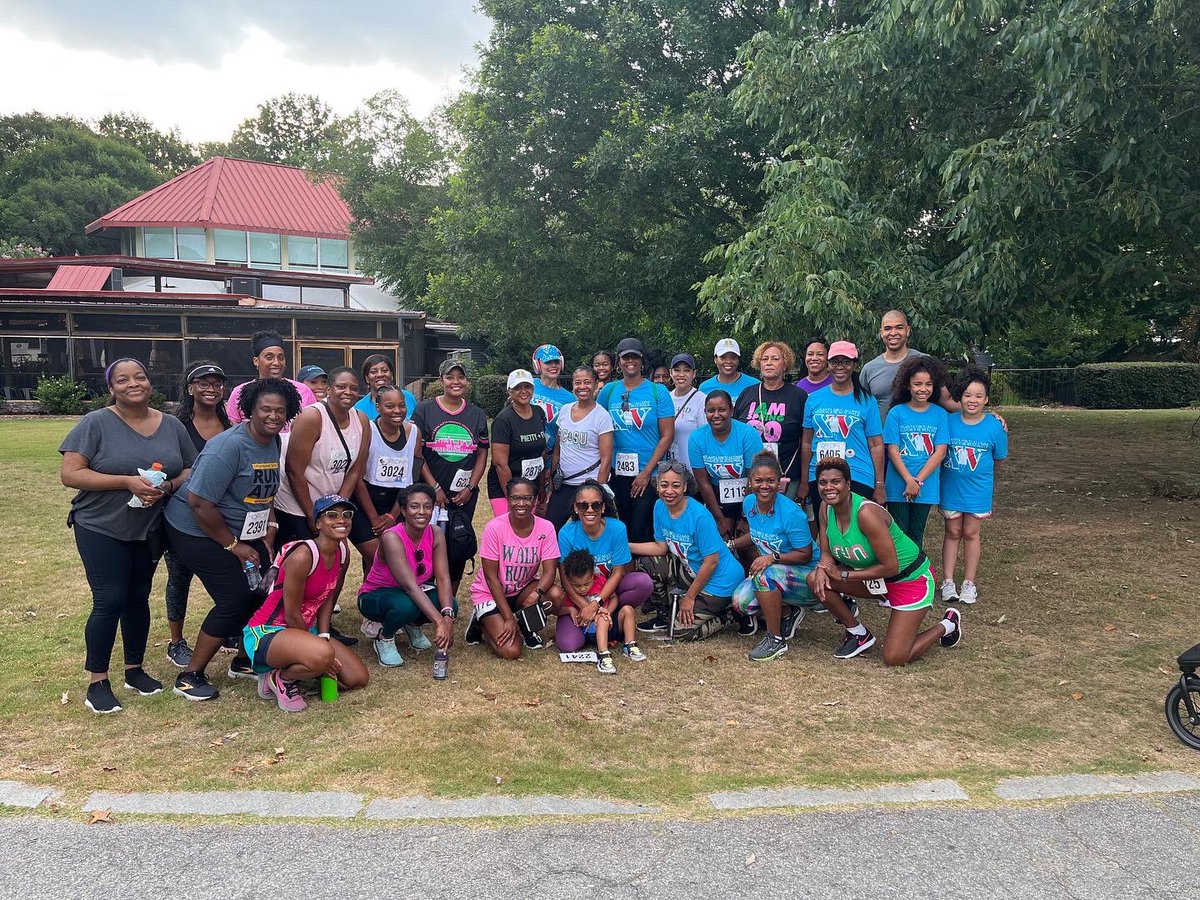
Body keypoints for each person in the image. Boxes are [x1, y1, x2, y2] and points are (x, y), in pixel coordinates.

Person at [60, 358, 197, 714]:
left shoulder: (171, 425)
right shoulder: (96, 423)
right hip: (100, 525)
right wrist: (126, 482)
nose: (133, 384)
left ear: (150, 383)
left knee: (138, 597)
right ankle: (98, 682)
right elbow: (71, 474)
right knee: (110, 599)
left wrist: (168, 485)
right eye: (122, 380)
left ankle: (134, 671)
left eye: (139, 377)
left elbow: (189, 467)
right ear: (111, 388)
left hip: (148, 528)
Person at [165, 377, 301, 701]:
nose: (273, 416)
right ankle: (189, 676)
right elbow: (199, 503)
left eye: (280, 411)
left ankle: (243, 660)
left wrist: (269, 527)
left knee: (262, 589)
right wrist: (233, 546)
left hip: (242, 528)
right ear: (250, 410)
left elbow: (263, 491)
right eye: (265, 409)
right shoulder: (227, 447)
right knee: (234, 598)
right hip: (194, 528)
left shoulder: (273, 440)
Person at [807, 457, 961, 663]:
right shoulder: (825, 509)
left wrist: (844, 574)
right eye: (823, 482)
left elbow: (891, 567)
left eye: (836, 481)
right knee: (815, 579)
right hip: (876, 581)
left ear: (848, 484)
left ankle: (948, 624)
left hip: (909, 579)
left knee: (894, 657)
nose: (828, 487)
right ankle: (858, 634)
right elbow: (826, 552)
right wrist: (822, 568)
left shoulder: (866, 513)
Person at [242, 494, 369, 711]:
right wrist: (322, 653)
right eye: (332, 515)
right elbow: (291, 614)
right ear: (318, 523)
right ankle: (282, 677)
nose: (341, 520)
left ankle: (306, 664)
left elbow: (327, 596)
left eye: (346, 515)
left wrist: (324, 636)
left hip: (302, 630)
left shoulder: (342, 552)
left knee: (357, 678)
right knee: (323, 656)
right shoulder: (303, 556)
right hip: (267, 632)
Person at [164, 361, 231, 668]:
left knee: (225, 574)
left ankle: (228, 629)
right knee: (179, 576)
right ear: (190, 388)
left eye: (217, 384)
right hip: (182, 515)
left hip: (220, 514)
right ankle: (176, 641)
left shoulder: (229, 424)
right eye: (203, 383)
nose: (211, 389)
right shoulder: (177, 426)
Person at [630, 461, 745, 640]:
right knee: (647, 562)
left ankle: (733, 614)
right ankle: (664, 617)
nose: (669, 491)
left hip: (721, 581)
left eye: (676, 485)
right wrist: (627, 546)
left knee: (680, 632)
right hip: (692, 571)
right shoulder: (659, 506)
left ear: (685, 487)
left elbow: (712, 561)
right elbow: (661, 547)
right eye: (664, 485)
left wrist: (690, 597)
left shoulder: (699, 516)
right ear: (657, 486)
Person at [274, 367, 373, 574]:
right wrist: (313, 515)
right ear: (329, 389)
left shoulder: (361, 420)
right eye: (341, 387)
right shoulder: (312, 417)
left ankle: (329, 597)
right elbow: (294, 471)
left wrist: (337, 507)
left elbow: (355, 470)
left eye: (354, 388)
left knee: (340, 558)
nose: (348, 392)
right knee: (304, 562)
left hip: (329, 498)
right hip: (297, 501)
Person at [729, 453, 822, 661]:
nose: (764, 486)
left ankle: (776, 639)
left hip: (809, 576)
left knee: (764, 577)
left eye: (770, 480)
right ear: (750, 482)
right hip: (776, 572)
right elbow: (757, 534)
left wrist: (773, 557)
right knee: (741, 602)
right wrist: (731, 545)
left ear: (779, 483)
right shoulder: (749, 503)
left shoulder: (791, 513)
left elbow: (805, 554)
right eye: (758, 480)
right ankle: (788, 612)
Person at [357, 484, 457, 667]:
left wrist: (448, 617)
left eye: (427, 506)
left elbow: (443, 578)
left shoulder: (436, 533)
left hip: (411, 593)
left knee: (450, 604)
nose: (422, 512)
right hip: (376, 596)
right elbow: (409, 585)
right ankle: (384, 637)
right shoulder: (391, 537)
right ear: (403, 510)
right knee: (406, 606)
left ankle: (412, 625)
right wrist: (439, 622)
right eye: (414, 506)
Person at [464, 478, 566, 657]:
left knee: (555, 595)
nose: (521, 503)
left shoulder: (546, 527)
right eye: (515, 498)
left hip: (522, 590)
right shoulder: (494, 527)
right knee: (511, 651)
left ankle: (524, 626)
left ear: (535, 500)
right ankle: (481, 622)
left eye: (527, 498)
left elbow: (550, 571)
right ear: (508, 499)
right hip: (491, 593)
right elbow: (491, 577)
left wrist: (536, 594)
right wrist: (508, 618)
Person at [412, 359, 490, 592]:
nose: (456, 382)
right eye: (450, 377)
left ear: (467, 381)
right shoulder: (424, 410)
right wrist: (434, 488)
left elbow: (482, 453)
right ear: (441, 380)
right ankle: (426, 595)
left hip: (462, 496)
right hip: (430, 493)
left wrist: (471, 487)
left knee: (457, 544)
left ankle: (449, 599)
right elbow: (417, 454)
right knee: (425, 544)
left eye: (460, 377)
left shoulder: (476, 414)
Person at [556, 480, 653, 657]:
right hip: (579, 597)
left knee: (643, 582)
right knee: (568, 644)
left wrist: (597, 604)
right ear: (576, 508)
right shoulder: (566, 533)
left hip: (608, 595)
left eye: (595, 505)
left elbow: (618, 572)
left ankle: (613, 616)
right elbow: (565, 579)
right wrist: (586, 607)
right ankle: (604, 627)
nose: (590, 510)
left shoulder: (617, 528)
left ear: (603, 507)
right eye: (583, 505)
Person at [940, 367, 1008, 605]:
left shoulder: (995, 426)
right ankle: (948, 581)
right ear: (960, 396)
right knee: (952, 532)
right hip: (951, 488)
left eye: (979, 396)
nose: (973, 400)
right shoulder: (947, 422)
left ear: (986, 399)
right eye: (968, 395)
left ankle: (969, 582)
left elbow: (999, 459)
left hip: (978, 490)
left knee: (971, 533)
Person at [597, 337, 675, 542]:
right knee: (619, 528)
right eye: (625, 358)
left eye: (635, 357)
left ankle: (643, 564)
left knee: (641, 531)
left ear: (642, 360)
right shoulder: (609, 391)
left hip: (648, 473)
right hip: (617, 473)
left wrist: (646, 473)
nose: (630, 362)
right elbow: (596, 426)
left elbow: (667, 436)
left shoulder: (658, 392)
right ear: (618, 361)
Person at [799, 341, 886, 519]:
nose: (840, 367)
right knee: (826, 526)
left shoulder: (866, 401)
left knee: (857, 527)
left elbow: (876, 444)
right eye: (835, 362)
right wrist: (804, 481)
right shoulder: (814, 399)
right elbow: (807, 442)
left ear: (854, 365)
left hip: (857, 473)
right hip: (820, 474)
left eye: (846, 362)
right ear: (828, 364)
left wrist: (879, 484)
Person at [354, 384, 421, 608]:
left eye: (402, 405)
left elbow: (411, 476)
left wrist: (392, 516)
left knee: (396, 558)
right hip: (365, 500)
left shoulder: (413, 432)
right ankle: (370, 605)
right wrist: (374, 518)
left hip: (397, 502)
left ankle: (386, 606)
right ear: (378, 407)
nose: (397, 411)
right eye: (390, 406)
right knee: (376, 556)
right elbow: (357, 477)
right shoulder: (368, 431)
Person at [884, 355, 950, 547]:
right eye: (917, 384)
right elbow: (893, 450)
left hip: (926, 484)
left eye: (928, 384)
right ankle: (899, 566)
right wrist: (908, 480)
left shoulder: (940, 414)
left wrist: (918, 481)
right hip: (898, 483)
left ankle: (916, 565)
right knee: (899, 533)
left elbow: (940, 452)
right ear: (907, 385)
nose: (923, 389)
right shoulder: (896, 413)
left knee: (917, 533)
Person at [734, 341, 808, 499]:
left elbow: (806, 441)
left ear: (785, 364)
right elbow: (735, 434)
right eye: (764, 359)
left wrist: (804, 482)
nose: (769, 363)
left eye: (775, 359)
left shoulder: (798, 396)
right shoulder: (747, 394)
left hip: (786, 474)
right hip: (751, 475)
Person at [689, 390, 764, 540]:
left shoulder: (748, 434)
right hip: (717, 494)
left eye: (722, 410)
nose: (716, 415)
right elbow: (703, 483)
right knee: (723, 538)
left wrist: (745, 517)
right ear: (705, 413)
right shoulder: (697, 438)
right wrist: (720, 520)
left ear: (731, 410)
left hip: (750, 492)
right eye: (711, 411)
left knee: (748, 541)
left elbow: (755, 478)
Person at [545, 366, 614, 529]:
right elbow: (558, 448)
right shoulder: (565, 410)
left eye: (587, 382)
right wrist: (551, 476)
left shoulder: (602, 416)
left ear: (595, 384)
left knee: (590, 527)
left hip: (589, 484)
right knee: (551, 526)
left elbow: (606, 460)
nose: (582, 387)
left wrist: (598, 490)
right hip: (565, 483)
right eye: (578, 382)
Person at [561, 550, 647, 675]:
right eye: (577, 586)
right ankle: (603, 655)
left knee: (627, 609)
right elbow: (564, 607)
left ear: (593, 576)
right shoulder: (571, 595)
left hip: (610, 624)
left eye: (587, 584)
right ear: (569, 582)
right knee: (601, 619)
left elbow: (614, 598)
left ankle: (630, 645)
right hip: (591, 629)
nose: (583, 589)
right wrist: (572, 610)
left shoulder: (601, 581)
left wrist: (608, 612)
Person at [859, 311, 957, 421]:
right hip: (883, 431)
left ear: (908, 330)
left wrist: (972, 411)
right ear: (881, 333)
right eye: (888, 328)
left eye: (899, 327)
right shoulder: (869, 369)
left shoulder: (924, 362)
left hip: (922, 428)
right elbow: (861, 408)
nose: (893, 333)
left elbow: (946, 400)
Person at [488, 369, 549, 516]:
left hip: (531, 485)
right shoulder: (503, 420)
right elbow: (500, 464)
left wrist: (541, 486)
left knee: (528, 526)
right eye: (517, 388)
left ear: (533, 389)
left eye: (527, 387)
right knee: (508, 525)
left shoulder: (539, 412)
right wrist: (512, 497)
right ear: (510, 391)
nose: (523, 391)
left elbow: (541, 453)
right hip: (505, 487)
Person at [225, 331, 316, 428]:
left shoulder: (302, 391)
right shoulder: (240, 393)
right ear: (256, 361)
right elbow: (231, 428)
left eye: (280, 357)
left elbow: (315, 424)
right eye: (269, 357)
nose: (276, 363)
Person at [666, 353, 706, 467]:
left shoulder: (702, 399)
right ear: (671, 372)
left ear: (694, 374)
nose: (681, 375)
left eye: (687, 370)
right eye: (677, 370)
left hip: (692, 467)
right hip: (669, 467)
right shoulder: (666, 398)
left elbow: (704, 436)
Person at [353, 354, 416, 423]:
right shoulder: (359, 408)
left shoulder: (408, 397)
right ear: (367, 378)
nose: (380, 375)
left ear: (392, 375)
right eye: (374, 372)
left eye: (384, 371)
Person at [531, 344, 574, 426]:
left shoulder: (570, 399)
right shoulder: (529, 385)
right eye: (548, 362)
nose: (553, 365)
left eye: (556, 362)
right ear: (537, 365)